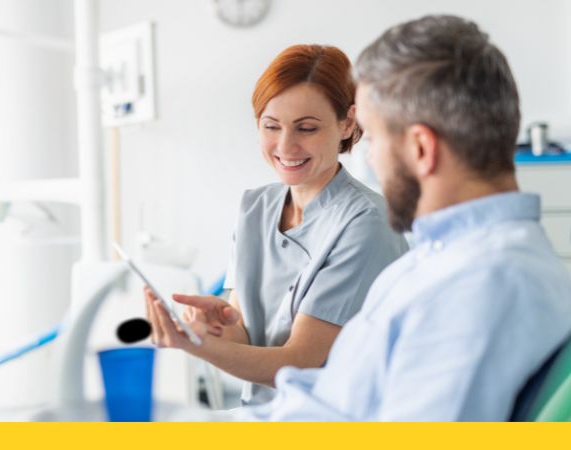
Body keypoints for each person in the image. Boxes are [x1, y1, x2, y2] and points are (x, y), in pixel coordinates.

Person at [224, 15, 571, 420]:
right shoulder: (444, 261)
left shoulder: (480, 284)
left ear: (421, 148)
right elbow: (330, 397)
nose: (369, 156)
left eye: (374, 136)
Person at [145, 45, 408, 406]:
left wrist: (197, 346)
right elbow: (247, 338)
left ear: (348, 122)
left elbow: (297, 363)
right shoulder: (254, 207)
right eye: (271, 126)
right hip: (262, 417)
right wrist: (218, 328)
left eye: (307, 128)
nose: (286, 146)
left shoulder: (367, 222)